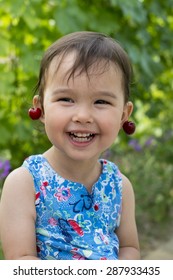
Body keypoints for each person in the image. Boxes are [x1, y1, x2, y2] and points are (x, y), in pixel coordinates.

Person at [0, 31, 140, 260]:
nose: (83, 116)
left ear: (124, 114)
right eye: (66, 99)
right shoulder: (25, 183)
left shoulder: (120, 186)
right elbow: (20, 262)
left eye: (101, 102)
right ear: (41, 108)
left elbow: (129, 248)